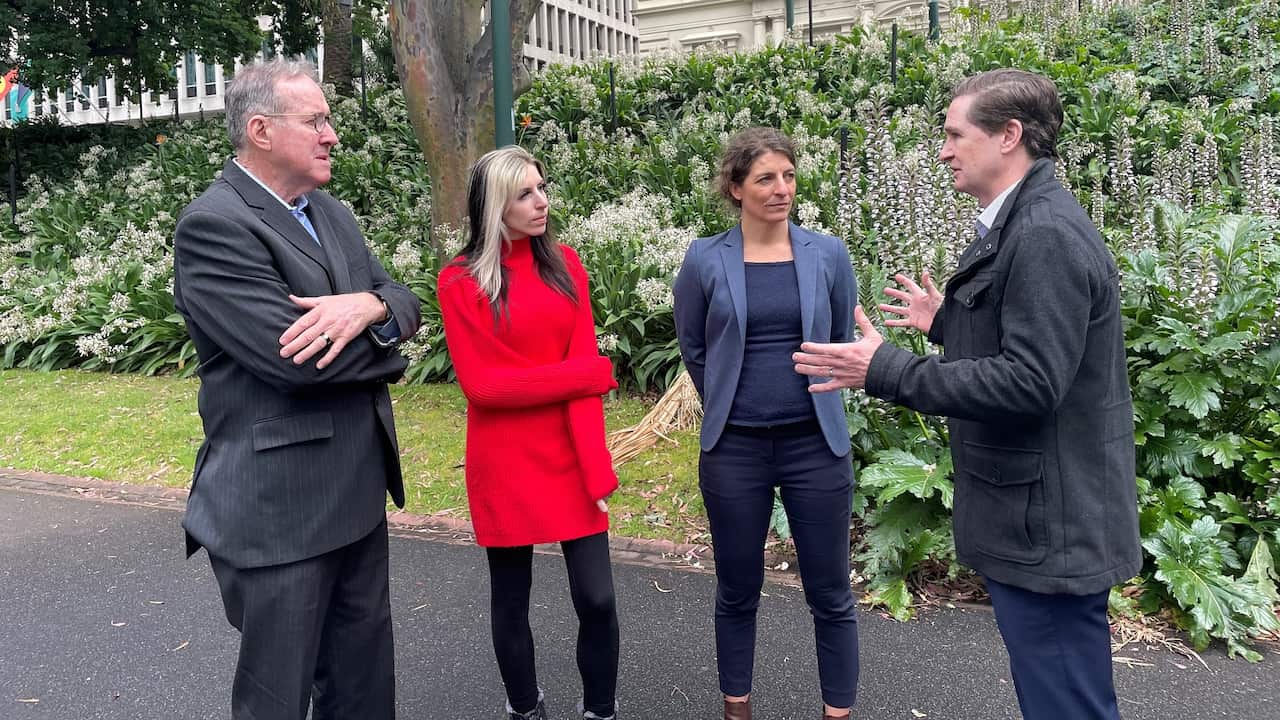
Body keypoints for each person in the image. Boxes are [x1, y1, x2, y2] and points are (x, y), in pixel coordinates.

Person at [793, 69, 1142, 719]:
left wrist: (887, 370)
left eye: (956, 134)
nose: (944, 149)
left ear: (1009, 136)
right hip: (1040, 522)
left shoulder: (1043, 234)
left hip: (1048, 531)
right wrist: (951, 321)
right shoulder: (1022, 223)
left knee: (1067, 704)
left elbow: (1031, 382)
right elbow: (1041, 342)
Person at [172, 59, 421, 720]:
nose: (332, 134)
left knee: (365, 695)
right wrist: (390, 348)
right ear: (261, 130)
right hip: (279, 515)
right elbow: (298, 362)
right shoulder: (214, 225)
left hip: (357, 497)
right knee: (276, 703)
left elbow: (405, 300)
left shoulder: (330, 213)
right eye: (315, 120)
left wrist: (368, 308)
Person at [672, 127, 860, 720]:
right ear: (735, 187)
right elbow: (694, 345)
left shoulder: (827, 254)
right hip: (736, 450)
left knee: (830, 593)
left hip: (815, 444)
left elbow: (842, 338)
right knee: (737, 589)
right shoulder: (706, 258)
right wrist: (731, 400)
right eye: (765, 178)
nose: (782, 189)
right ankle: (738, 709)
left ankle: (838, 712)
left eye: (789, 176)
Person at [437, 146, 620, 720]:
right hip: (505, 460)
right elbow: (484, 389)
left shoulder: (566, 264)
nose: (541, 202)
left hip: (571, 453)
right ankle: (525, 708)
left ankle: (601, 712)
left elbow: (577, 379)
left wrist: (596, 464)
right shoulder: (460, 282)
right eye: (525, 193)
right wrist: (582, 375)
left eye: (542, 189)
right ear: (495, 206)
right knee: (511, 599)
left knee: (598, 598)